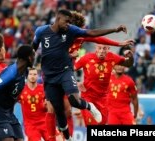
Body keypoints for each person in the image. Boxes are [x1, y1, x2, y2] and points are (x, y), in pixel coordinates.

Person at [32, 9, 129, 140]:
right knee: (53, 108)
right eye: (68, 23)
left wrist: (118, 43)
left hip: (65, 71)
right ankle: (54, 137)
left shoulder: (76, 33)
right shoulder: (46, 32)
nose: (70, 27)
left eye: (71, 25)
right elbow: (37, 47)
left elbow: (97, 37)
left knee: (69, 107)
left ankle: (68, 131)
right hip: (50, 74)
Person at [74, 44, 134, 125]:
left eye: (104, 48)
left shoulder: (112, 57)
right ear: (96, 48)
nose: (102, 51)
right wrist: (75, 83)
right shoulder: (86, 58)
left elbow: (128, 64)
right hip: (88, 98)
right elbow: (69, 70)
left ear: (108, 49)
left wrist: (130, 56)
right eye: (99, 48)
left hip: (103, 99)